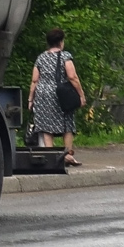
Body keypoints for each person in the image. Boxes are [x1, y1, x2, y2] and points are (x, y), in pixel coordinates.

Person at [28, 28, 87, 166]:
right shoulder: (65, 56)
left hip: (42, 94)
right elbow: (72, 77)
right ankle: (68, 155)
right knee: (67, 124)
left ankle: (52, 157)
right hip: (59, 93)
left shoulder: (41, 57)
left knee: (46, 126)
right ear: (61, 42)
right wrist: (81, 95)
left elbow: (35, 80)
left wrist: (31, 99)